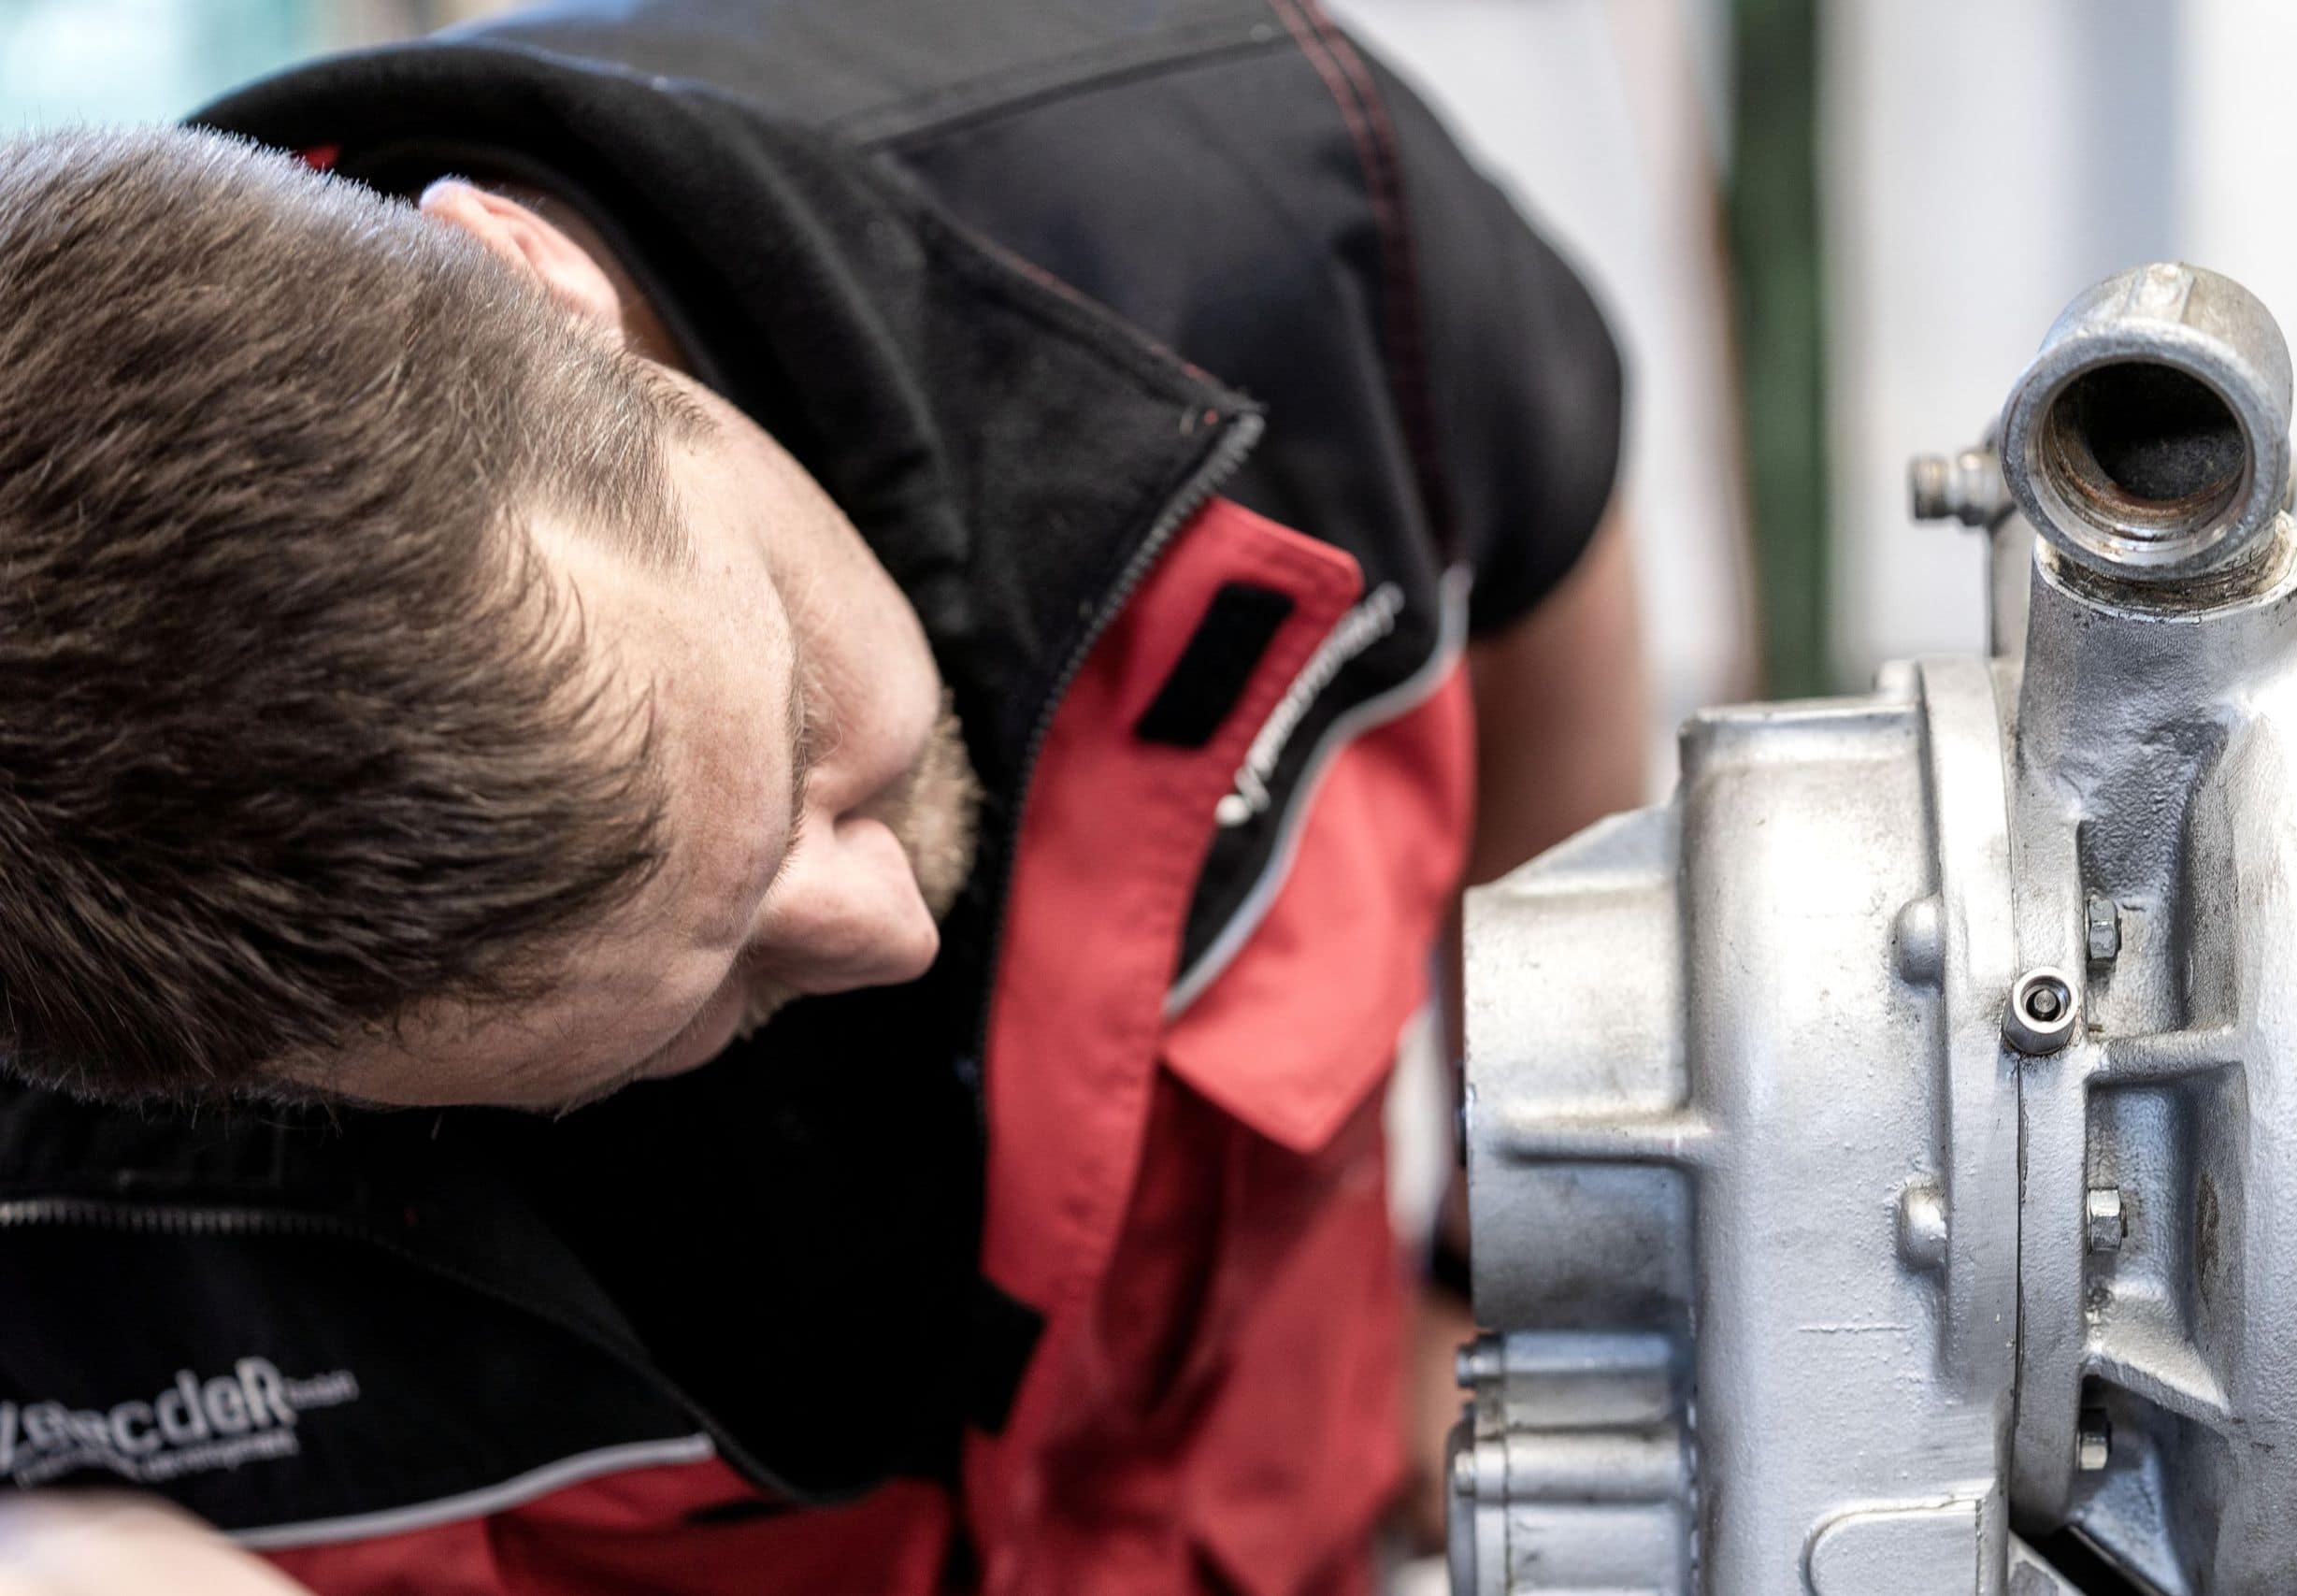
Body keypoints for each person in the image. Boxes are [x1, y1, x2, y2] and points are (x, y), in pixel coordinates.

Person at [0, 2, 1644, 1591]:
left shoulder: (1245, 191)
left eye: (796, 729)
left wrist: (1499, 1280)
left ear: (537, 280)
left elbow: (1541, 544)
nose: (885, 929)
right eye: (682, 1022)